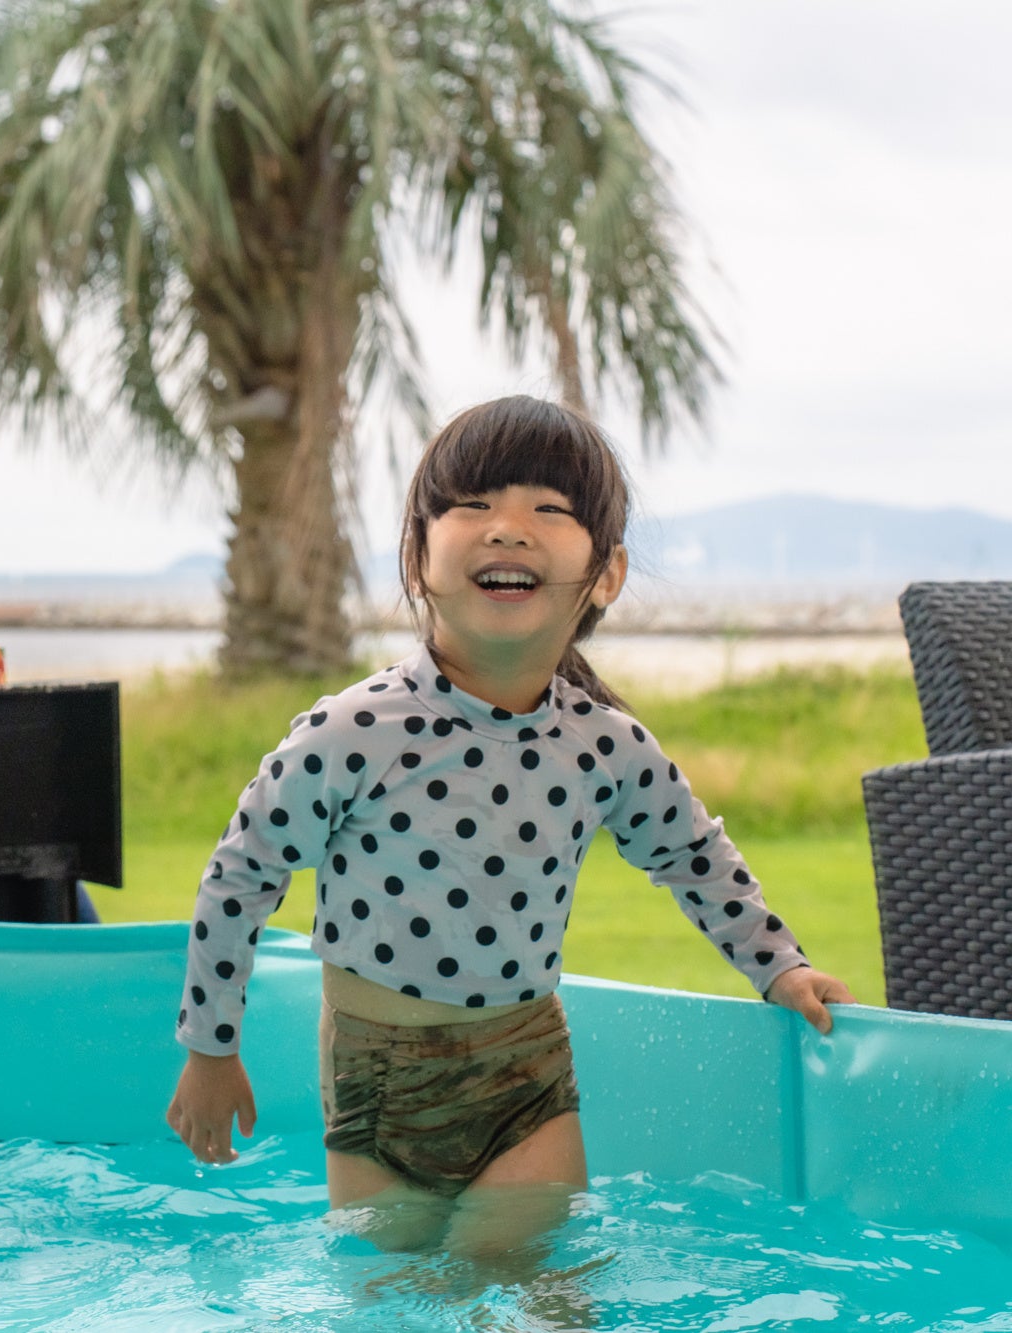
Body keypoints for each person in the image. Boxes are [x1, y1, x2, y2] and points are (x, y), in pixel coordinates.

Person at [164, 396, 854, 1260]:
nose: (509, 529)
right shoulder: (355, 731)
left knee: (548, 1292)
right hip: (379, 1078)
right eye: (474, 505)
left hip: (525, 1069)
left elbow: (691, 854)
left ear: (606, 573)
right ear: (417, 557)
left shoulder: (604, 743)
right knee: (397, 1300)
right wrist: (211, 1047)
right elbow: (242, 873)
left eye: (549, 510)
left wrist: (779, 965)